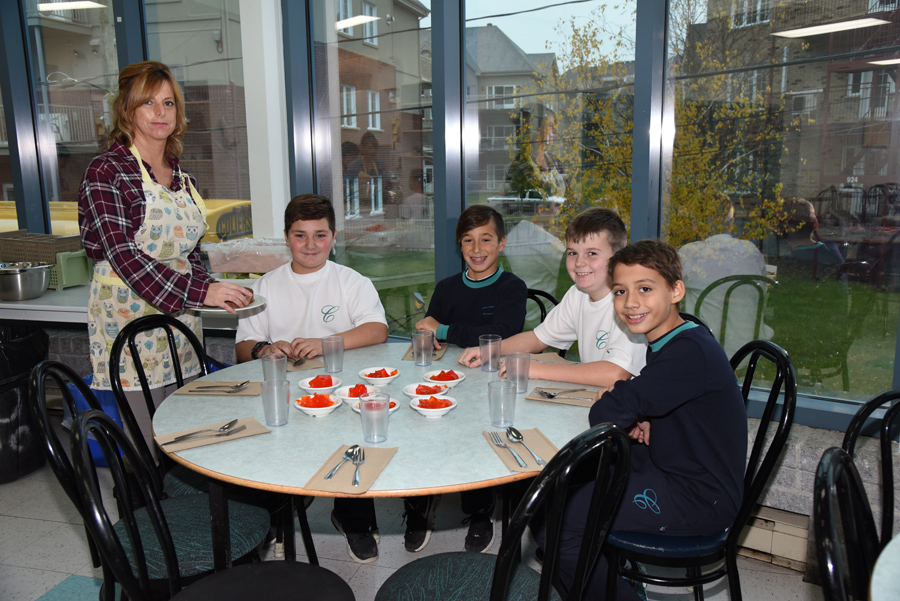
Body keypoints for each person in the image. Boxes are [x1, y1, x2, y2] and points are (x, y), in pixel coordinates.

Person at [538, 239, 747, 599]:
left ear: (676, 290)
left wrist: (621, 400)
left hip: (699, 498)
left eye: (645, 289)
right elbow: (653, 401)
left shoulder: (686, 354)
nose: (630, 302)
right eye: (620, 291)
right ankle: (598, 573)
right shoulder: (679, 337)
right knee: (561, 489)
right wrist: (645, 414)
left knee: (552, 523)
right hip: (675, 464)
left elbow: (606, 413)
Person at [78, 61, 252, 454]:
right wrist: (200, 293)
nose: (161, 113)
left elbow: (188, 254)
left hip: (180, 327)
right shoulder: (107, 171)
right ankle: (143, 513)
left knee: (186, 439)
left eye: (169, 103)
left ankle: (185, 511)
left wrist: (214, 287)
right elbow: (125, 257)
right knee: (147, 446)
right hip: (129, 327)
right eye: (148, 103)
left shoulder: (181, 176)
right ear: (127, 110)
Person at [235, 194, 388, 563]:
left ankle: (353, 517)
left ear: (334, 237)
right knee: (273, 440)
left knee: (355, 441)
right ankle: (276, 520)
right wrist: (266, 349)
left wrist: (324, 344)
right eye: (300, 235)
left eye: (320, 235)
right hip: (287, 389)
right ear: (287, 238)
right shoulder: (266, 286)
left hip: (342, 388)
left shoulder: (351, 281)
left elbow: (377, 330)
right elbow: (243, 346)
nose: (310, 245)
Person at [406, 204, 527, 555]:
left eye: (486, 239)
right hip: (445, 381)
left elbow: (501, 334)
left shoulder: (512, 287)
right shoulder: (446, 288)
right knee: (419, 424)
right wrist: (429, 332)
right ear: (459, 245)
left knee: (479, 433)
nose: (476, 249)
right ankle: (419, 501)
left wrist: (444, 328)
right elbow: (429, 331)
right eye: (468, 241)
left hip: (488, 384)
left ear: (501, 243)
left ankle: (479, 510)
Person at [458, 207, 646, 388]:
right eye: (572, 253)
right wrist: (490, 349)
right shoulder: (577, 294)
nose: (580, 262)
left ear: (617, 256)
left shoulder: (631, 304)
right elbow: (537, 338)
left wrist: (537, 369)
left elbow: (616, 373)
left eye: (592, 253)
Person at [679, 194, 772, 357]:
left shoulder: (690, 253)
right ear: (731, 223)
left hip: (705, 350)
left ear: (695, 225)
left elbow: (666, 292)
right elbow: (763, 289)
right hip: (749, 349)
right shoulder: (750, 251)